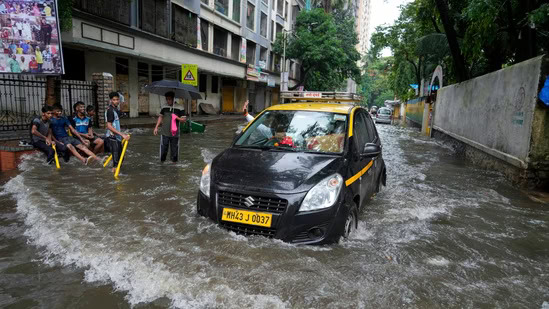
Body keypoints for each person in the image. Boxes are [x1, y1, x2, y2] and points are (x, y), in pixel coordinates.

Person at [153, 91, 186, 163]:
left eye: (169, 99)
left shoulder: (180, 107)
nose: (168, 101)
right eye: (167, 99)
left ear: (173, 99)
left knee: (174, 153)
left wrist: (177, 118)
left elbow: (184, 120)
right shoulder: (164, 106)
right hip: (164, 133)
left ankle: (174, 167)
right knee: (163, 151)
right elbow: (160, 117)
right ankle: (162, 165)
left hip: (175, 134)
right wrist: (156, 127)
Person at [104, 92, 130, 172]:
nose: (116, 101)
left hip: (117, 137)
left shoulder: (115, 110)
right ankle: (114, 181)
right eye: (114, 100)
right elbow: (109, 126)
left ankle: (117, 175)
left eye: (117, 99)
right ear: (111, 100)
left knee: (121, 159)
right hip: (112, 138)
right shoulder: (110, 111)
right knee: (116, 162)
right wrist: (122, 134)